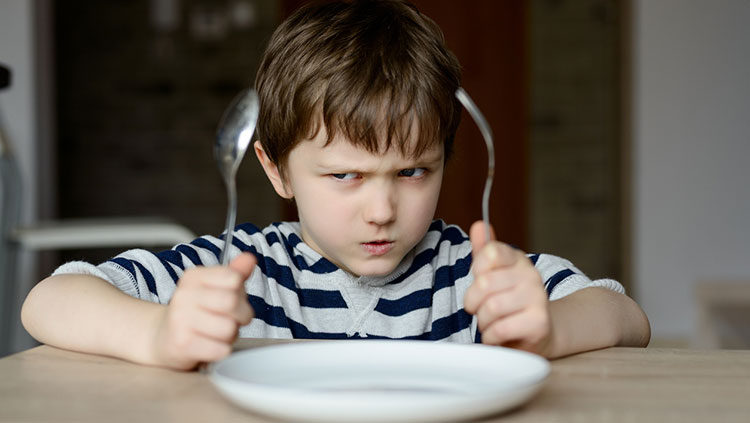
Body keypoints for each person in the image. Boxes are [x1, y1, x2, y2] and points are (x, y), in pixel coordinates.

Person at [21, 0, 650, 371]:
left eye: (412, 171)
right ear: (275, 169)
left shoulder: (471, 275)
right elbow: (48, 300)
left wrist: (548, 331)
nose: (382, 210)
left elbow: (625, 314)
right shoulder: (243, 267)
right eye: (344, 175)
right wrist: (158, 336)